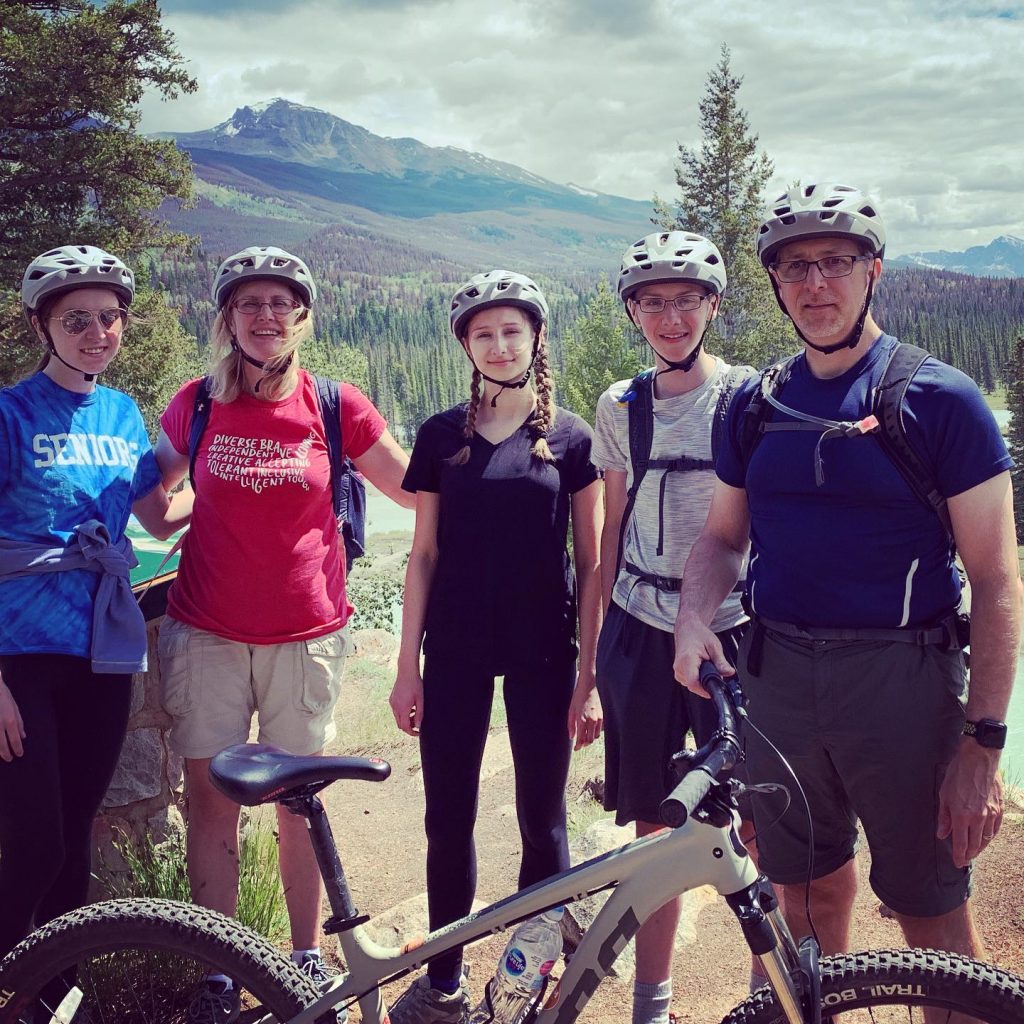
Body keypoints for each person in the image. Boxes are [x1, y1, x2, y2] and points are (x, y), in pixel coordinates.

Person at [673, 184, 1021, 971]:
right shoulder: (756, 405)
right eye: (796, 268)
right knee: (802, 896)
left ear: (875, 271)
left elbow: (997, 581)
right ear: (774, 285)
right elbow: (723, 539)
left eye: (837, 261)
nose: (816, 284)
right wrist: (695, 617)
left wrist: (983, 746)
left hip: (903, 682)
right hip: (779, 680)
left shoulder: (941, 400)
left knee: (929, 913)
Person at [154, 245, 412, 1022]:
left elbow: (411, 487)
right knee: (209, 801)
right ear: (228, 318)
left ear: (303, 317)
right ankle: (219, 970)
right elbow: (150, 494)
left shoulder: (335, 404)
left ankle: (301, 955)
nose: (266, 317)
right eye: (249, 304)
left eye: (280, 303)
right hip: (206, 630)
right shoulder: (197, 402)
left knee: (300, 803)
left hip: (306, 635)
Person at [387, 270, 603, 1024]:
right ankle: (442, 979)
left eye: (513, 330)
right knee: (448, 818)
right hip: (456, 650)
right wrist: (405, 664)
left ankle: (527, 986)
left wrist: (592, 676)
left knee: (542, 822)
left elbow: (592, 560)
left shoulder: (572, 438)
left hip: (545, 648)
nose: (500, 344)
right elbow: (422, 556)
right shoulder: (442, 437)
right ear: (466, 345)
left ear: (536, 338)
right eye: (484, 333)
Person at [0, 244, 191, 962]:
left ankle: (49, 994)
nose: (97, 332)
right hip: (21, 657)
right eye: (76, 318)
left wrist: (252, 496)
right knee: (34, 846)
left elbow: (158, 514)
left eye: (110, 318)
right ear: (40, 327)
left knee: (75, 834)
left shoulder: (119, 412)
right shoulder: (10, 414)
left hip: (103, 654)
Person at [592, 231, 753, 1024]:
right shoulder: (620, 404)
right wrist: (596, 657)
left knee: (760, 822)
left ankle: (773, 995)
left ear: (712, 306)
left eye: (686, 299)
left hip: (735, 630)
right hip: (640, 627)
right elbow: (610, 531)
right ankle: (650, 1006)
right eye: (652, 302)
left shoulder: (745, 398)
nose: (670, 316)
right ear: (633, 312)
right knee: (656, 831)